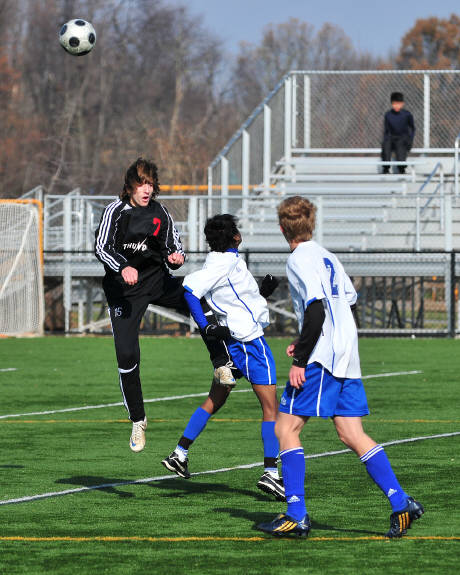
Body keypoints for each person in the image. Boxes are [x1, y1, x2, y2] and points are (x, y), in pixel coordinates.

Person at [257, 196, 424, 538]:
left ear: (282, 229)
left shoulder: (298, 259)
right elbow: (349, 301)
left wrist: (301, 359)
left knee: (285, 428)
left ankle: (296, 515)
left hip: (323, 357)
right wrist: (311, 340)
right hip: (347, 353)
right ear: (312, 224)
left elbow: (316, 308)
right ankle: (401, 502)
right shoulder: (327, 256)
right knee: (351, 432)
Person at [94, 158, 235, 453]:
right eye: (141, 184)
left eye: (150, 184)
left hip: (156, 282)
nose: (146, 190)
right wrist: (122, 266)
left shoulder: (160, 212)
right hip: (124, 293)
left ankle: (221, 363)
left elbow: (174, 245)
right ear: (130, 185)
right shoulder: (114, 211)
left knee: (195, 297)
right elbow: (101, 247)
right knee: (126, 354)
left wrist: (176, 257)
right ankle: (138, 420)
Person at [161, 214, 285, 501]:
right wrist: (205, 326)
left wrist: (262, 293)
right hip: (249, 342)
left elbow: (235, 298)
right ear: (236, 237)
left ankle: (180, 453)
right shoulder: (225, 262)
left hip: (233, 341)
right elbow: (189, 290)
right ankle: (271, 473)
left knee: (215, 398)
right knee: (272, 410)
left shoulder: (220, 261)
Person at [381, 92, 415, 174]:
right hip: (391, 137)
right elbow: (386, 130)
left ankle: (402, 169)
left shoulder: (407, 115)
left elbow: (412, 128)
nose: (396, 106)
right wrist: (386, 140)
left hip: (402, 137)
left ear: (402, 104)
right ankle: (386, 169)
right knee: (386, 146)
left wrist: (410, 140)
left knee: (400, 148)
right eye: (394, 104)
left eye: (398, 104)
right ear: (391, 104)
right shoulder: (388, 115)